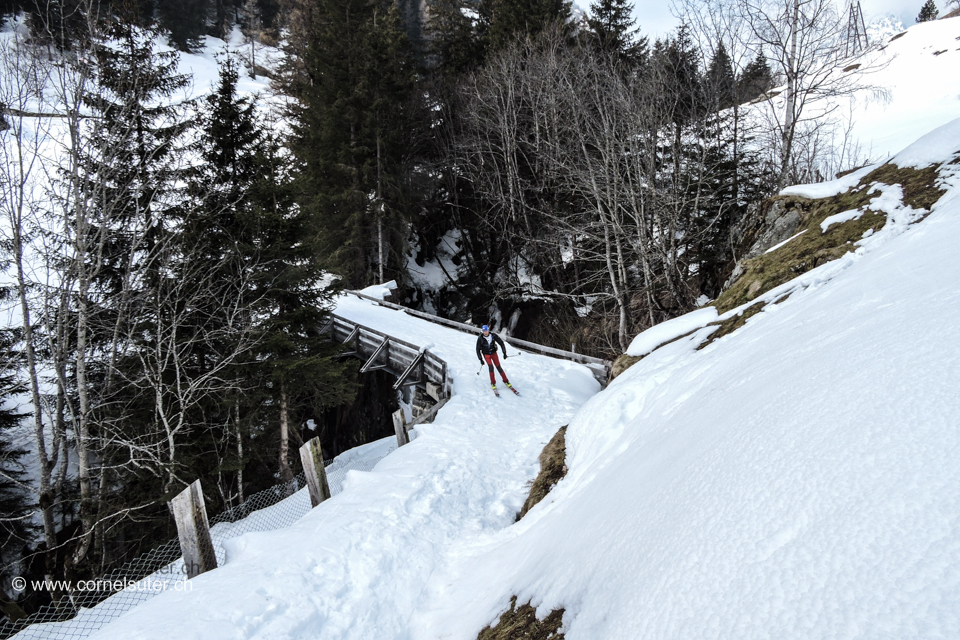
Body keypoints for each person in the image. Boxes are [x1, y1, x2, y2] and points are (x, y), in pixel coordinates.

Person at [476, 325, 516, 393]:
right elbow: (477, 349)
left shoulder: (493, 336)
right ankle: (493, 383)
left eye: (486, 331)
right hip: (486, 355)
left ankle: (506, 381)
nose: (485, 332)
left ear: (488, 330)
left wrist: (504, 353)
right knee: (491, 367)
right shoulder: (480, 338)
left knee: (499, 367)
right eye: (484, 331)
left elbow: (501, 343)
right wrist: (481, 359)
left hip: (494, 354)